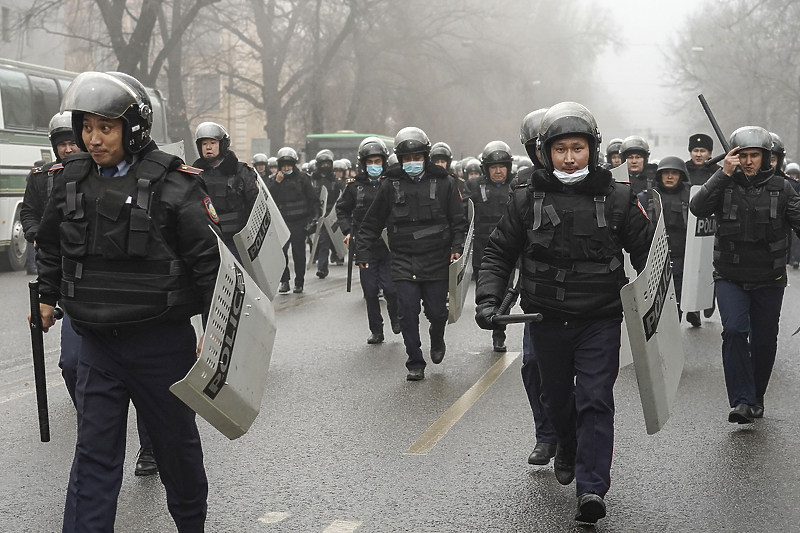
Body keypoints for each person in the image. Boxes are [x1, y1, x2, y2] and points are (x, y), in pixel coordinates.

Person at [33, 71, 220, 532]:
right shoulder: (69, 181)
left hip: (162, 344)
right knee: (94, 458)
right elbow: (51, 243)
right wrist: (47, 294)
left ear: (133, 128)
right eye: (87, 127)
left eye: (106, 128)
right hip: (98, 344)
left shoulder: (176, 185)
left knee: (176, 450)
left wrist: (213, 333)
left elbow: (207, 264)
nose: (93, 139)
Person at [475, 102, 653, 524]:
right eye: (560, 149)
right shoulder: (524, 201)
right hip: (546, 321)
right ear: (545, 153)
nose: (570, 157)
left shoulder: (620, 198)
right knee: (556, 402)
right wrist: (487, 300)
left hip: (600, 320)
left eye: (578, 148)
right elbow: (498, 254)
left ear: (592, 149)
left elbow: (649, 255)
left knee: (595, 398)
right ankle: (567, 446)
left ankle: (592, 488)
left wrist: (660, 300)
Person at [690, 126, 800, 424]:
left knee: (764, 341)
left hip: (770, 279)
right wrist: (722, 174)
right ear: (732, 157)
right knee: (735, 331)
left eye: (755, 155)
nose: (749, 161)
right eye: (743, 155)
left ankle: (756, 395)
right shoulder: (723, 184)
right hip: (730, 276)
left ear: (766, 158)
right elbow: (698, 208)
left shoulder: (784, 188)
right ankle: (741, 400)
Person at [356, 127, 468, 381]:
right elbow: (372, 222)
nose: (412, 163)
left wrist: (456, 249)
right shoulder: (389, 185)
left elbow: (458, 223)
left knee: (437, 312)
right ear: (400, 159)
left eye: (417, 157)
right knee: (407, 312)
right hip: (404, 260)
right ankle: (414, 361)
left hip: (437, 259)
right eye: (407, 159)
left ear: (426, 157)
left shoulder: (445, 183)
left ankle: (437, 337)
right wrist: (362, 250)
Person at [515, 107, 558, 466]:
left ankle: (573, 435)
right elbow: (506, 243)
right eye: (539, 147)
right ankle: (545, 435)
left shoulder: (602, 185)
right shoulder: (523, 190)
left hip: (588, 298)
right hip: (537, 295)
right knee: (532, 365)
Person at [336, 137, 400, 343]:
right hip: (365, 246)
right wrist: (348, 231)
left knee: (390, 288)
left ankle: (395, 317)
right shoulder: (354, 187)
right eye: (370, 162)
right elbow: (342, 210)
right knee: (370, 291)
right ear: (363, 164)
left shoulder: (391, 184)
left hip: (389, 246)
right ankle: (376, 330)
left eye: (378, 162)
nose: (374, 166)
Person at [637, 156, 701, 326]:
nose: (670, 177)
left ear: (681, 176)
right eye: (666, 173)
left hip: (681, 257)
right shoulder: (646, 198)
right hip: (653, 257)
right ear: (660, 176)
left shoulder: (692, 198)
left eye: (674, 173)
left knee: (676, 299)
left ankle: (673, 329)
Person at [469, 140, 515, 352]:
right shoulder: (474, 187)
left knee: (506, 292)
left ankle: (499, 333)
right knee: (489, 292)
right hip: (483, 251)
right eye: (494, 167)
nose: (498, 171)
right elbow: (465, 218)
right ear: (486, 169)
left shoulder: (517, 188)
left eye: (502, 167)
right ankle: (491, 317)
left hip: (509, 250)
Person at [192, 122, 259, 258]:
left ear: (223, 145)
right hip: (206, 242)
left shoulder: (242, 172)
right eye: (204, 144)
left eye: (213, 142)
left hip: (236, 243)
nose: (208, 147)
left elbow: (256, 208)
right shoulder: (194, 174)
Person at [268, 147, 320, 294]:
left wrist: (313, 219)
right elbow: (268, 200)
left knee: (299, 253)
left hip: (299, 222)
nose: (286, 168)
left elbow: (313, 200)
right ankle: (284, 281)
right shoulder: (274, 180)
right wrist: (276, 183)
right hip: (282, 222)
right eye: (283, 165)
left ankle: (299, 282)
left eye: (289, 165)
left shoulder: (303, 179)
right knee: (281, 254)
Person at [311, 149, 343, 277]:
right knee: (316, 241)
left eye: (327, 164)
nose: (325, 166)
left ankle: (322, 267)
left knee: (324, 241)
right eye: (323, 164)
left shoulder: (335, 182)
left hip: (330, 215)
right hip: (315, 214)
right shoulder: (313, 180)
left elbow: (340, 198)